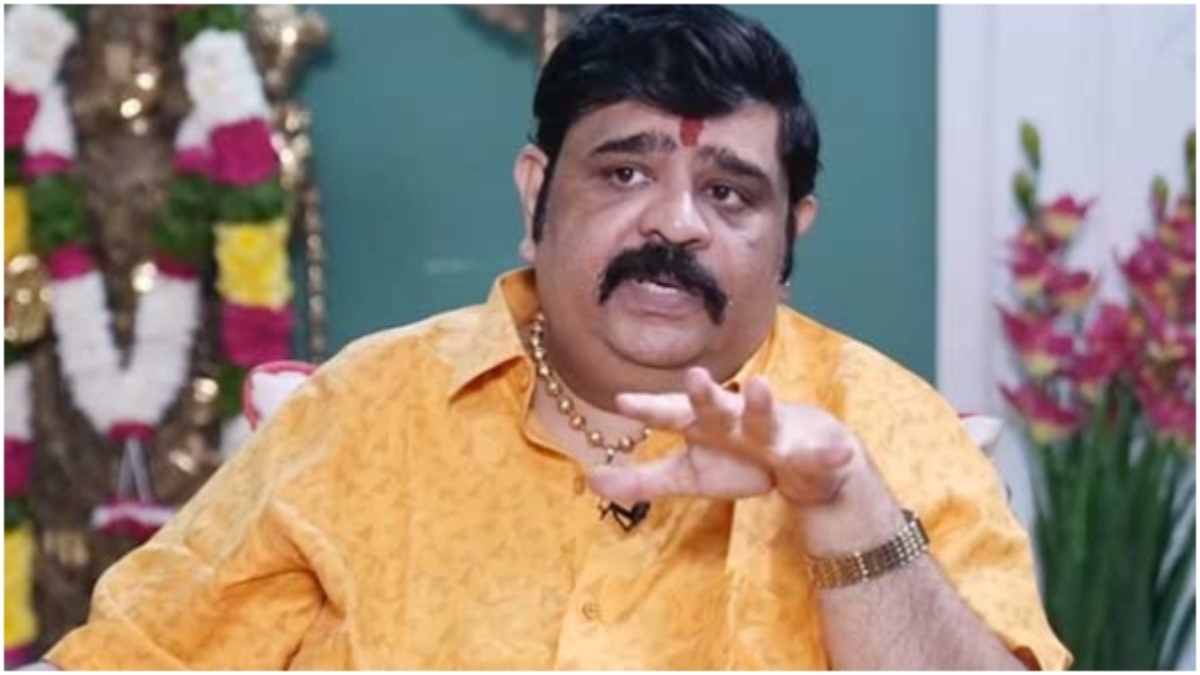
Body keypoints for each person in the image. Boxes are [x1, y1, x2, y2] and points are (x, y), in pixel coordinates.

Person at [43, 5, 1070, 670]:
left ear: (790, 234)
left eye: (729, 193)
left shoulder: (882, 433)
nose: (675, 223)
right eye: (625, 173)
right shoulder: (364, 414)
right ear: (537, 194)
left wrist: (843, 503)